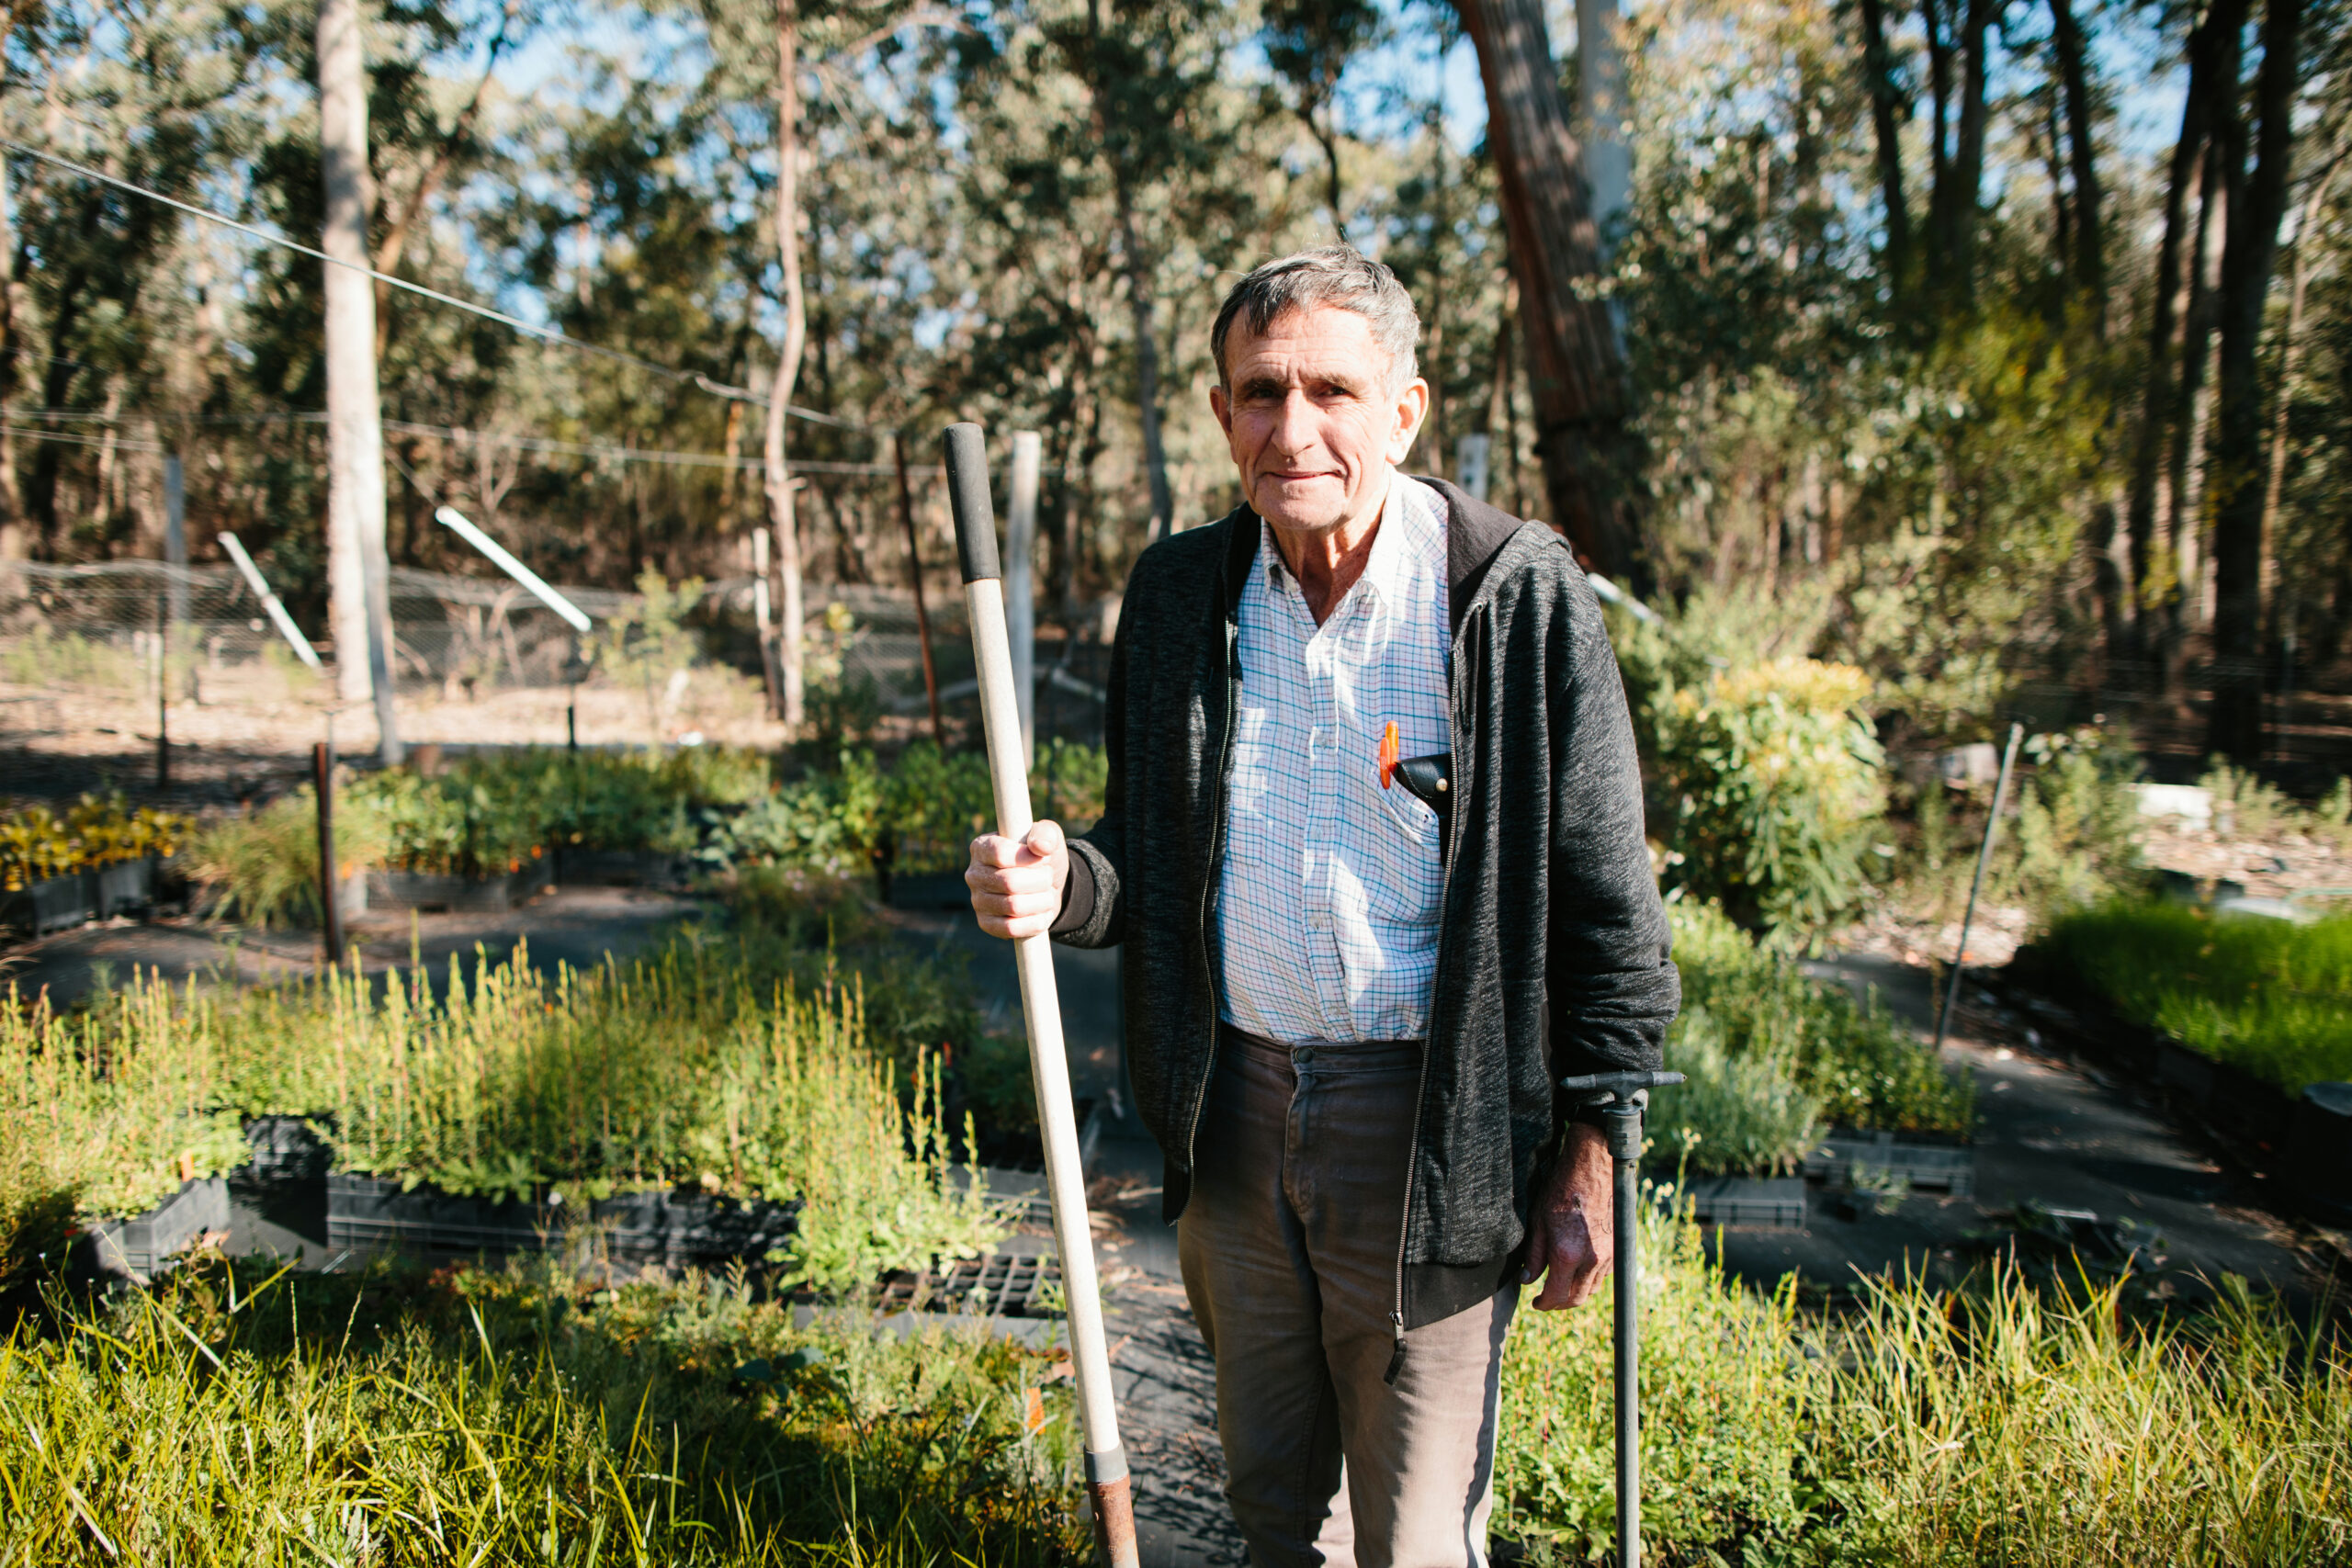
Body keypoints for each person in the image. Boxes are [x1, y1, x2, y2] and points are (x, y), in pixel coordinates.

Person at [966, 246, 1678, 1568]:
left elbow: (1605, 905)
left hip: (1430, 1131)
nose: (1292, 430)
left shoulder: (1509, 598)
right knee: (1274, 1513)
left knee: (1411, 1539)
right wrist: (1062, 881)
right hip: (1233, 1113)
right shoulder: (1182, 595)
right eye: (1258, 392)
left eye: (1331, 391)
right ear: (1222, 410)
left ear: (1403, 412)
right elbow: (1146, 867)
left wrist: (1589, 1150)